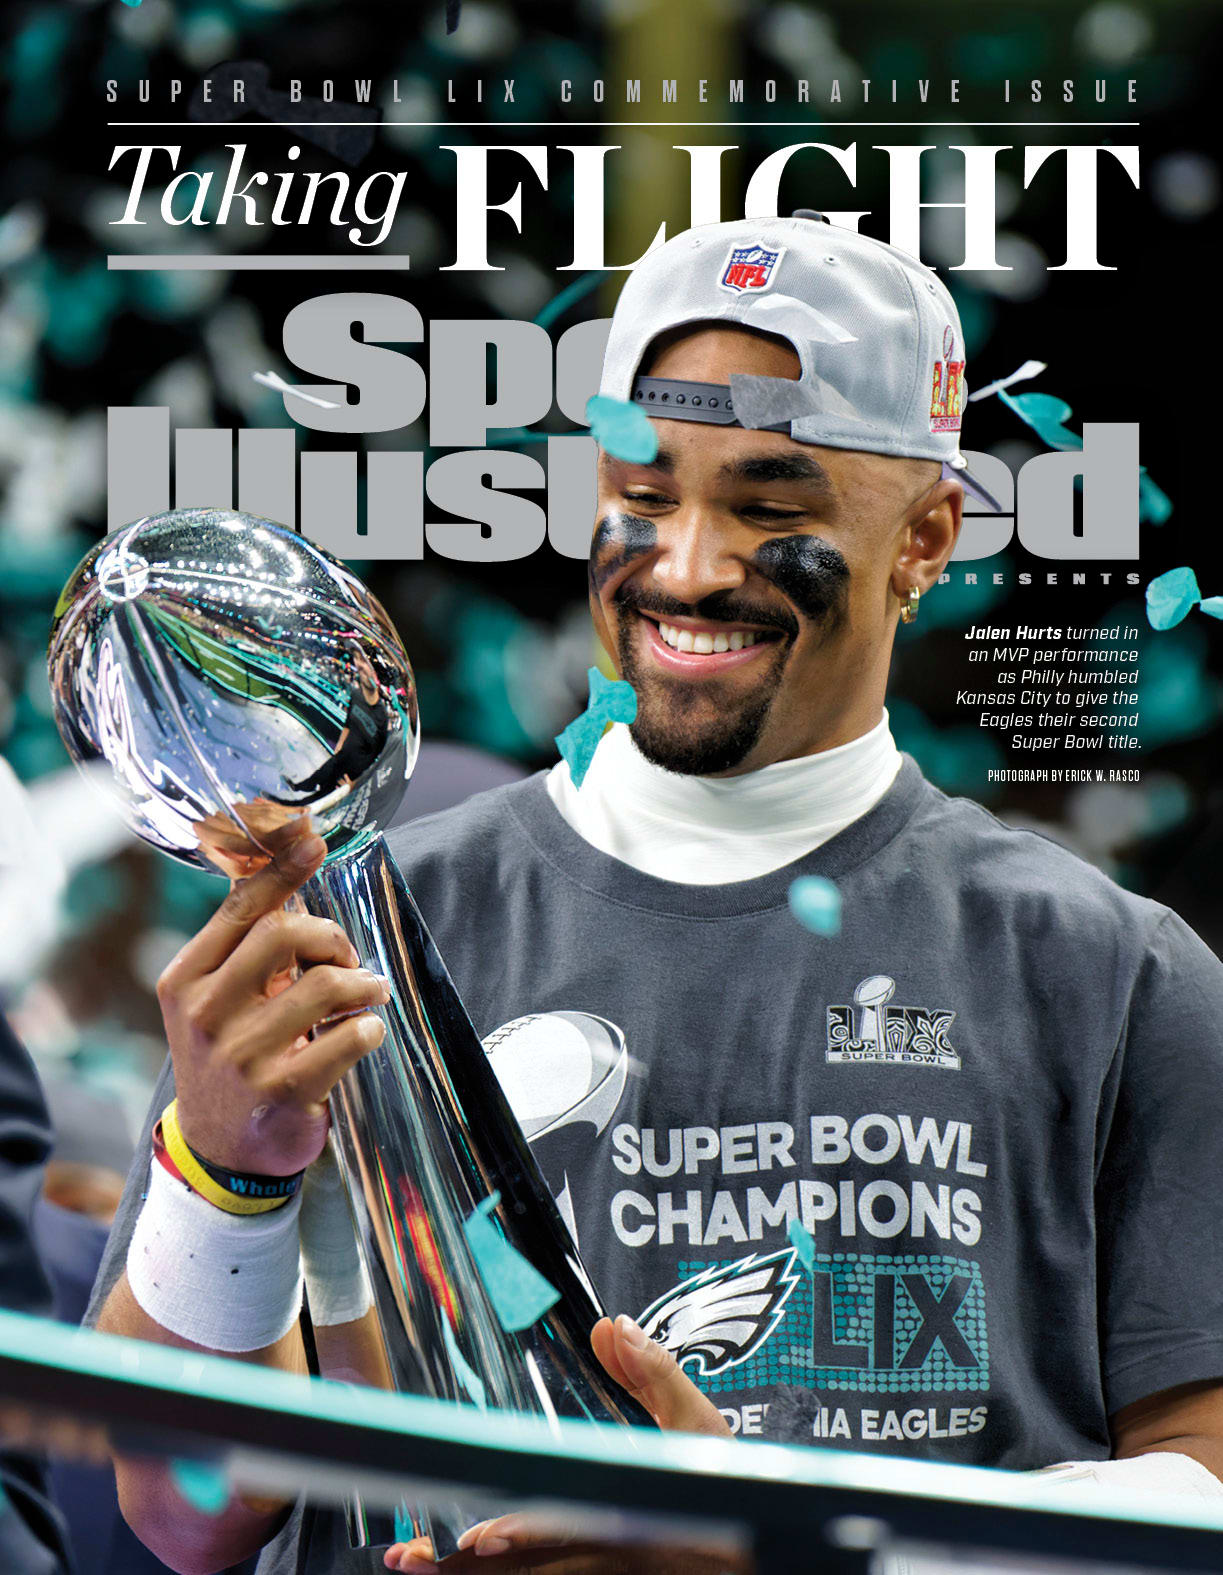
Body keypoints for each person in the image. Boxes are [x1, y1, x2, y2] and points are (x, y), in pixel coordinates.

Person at [86, 215, 1223, 1575]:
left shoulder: (1112, 972)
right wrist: (216, 1170)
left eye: (772, 507)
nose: (685, 567)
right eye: (644, 490)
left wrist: (792, 1548)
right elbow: (186, 1517)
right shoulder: (352, 933)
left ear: (925, 537)